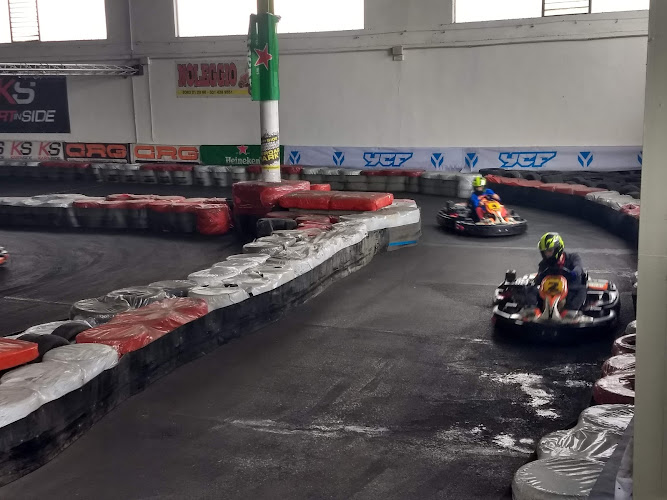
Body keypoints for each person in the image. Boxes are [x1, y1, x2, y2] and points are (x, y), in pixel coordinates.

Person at [535, 232, 587, 313]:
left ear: (558, 249)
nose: (547, 254)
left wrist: (573, 273)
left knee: (582, 290)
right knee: (530, 288)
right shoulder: (543, 264)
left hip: (570, 288)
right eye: (545, 252)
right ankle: (533, 311)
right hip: (548, 291)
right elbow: (539, 277)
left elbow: (578, 267)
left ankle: (570, 312)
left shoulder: (573, 258)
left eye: (549, 251)